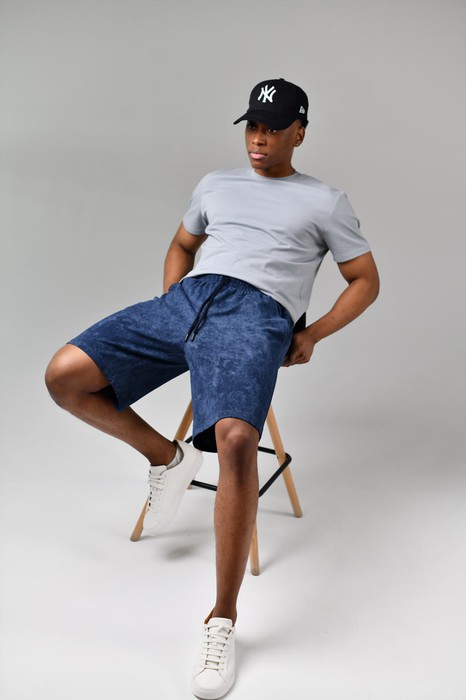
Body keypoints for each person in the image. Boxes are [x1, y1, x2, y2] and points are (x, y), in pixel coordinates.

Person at [45, 78, 379, 699]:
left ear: (300, 133)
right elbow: (183, 244)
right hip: (189, 302)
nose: (259, 139)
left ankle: (221, 619)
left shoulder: (325, 201)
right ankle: (166, 458)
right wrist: (172, 301)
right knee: (64, 375)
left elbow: (365, 279)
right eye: (252, 126)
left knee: (235, 441)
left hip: (256, 316)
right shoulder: (216, 184)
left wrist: (313, 335)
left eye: (274, 129)